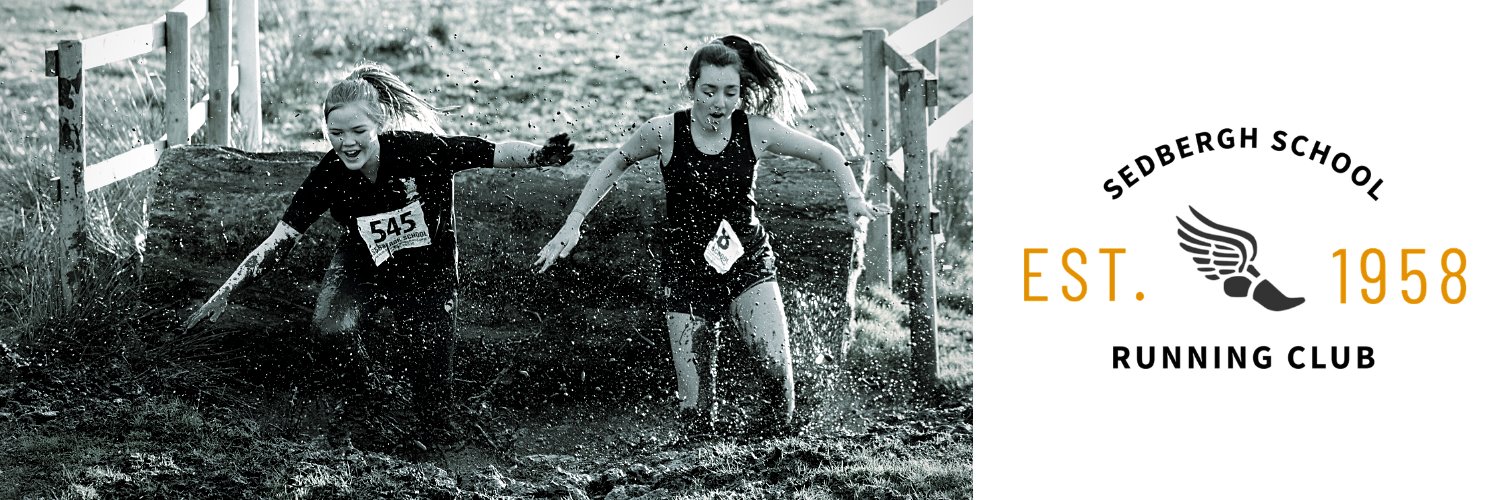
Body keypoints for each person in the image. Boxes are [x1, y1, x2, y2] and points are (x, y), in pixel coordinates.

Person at [184, 63, 575, 451]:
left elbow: (488, 150)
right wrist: (226, 291)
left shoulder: (418, 151)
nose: (348, 143)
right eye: (336, 134)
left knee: (432, 395)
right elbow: (280, 239)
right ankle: (369, 397)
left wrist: (542, 155)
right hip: (364, 263)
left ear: (379, 125)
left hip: (431, 268)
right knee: (329, 327)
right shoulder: (329, 174)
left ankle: (434, 432)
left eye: (358, 132)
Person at [532, 35, 890, 437]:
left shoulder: (755, 130)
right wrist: (574, 220)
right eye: (709, 91)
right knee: (695, 418)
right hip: (686, 273)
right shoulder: (664, 132)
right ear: (691, 87)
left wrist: (854, 199)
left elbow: (827, 153)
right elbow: (615, 161)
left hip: (748, 263)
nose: (720, 103)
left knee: (778, 398)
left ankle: (764, 471)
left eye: (730, 92)